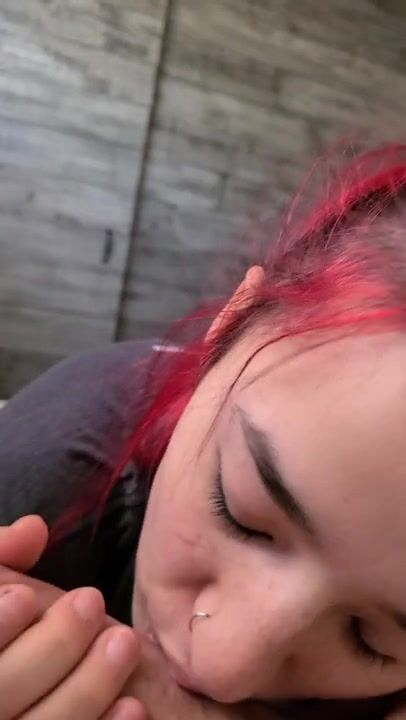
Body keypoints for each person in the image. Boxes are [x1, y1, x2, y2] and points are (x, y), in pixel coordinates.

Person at [0, 143, 406, 719]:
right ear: (230, 322)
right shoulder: (58, 447)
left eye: (372, 643)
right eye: (239, 514)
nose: (224, 667)